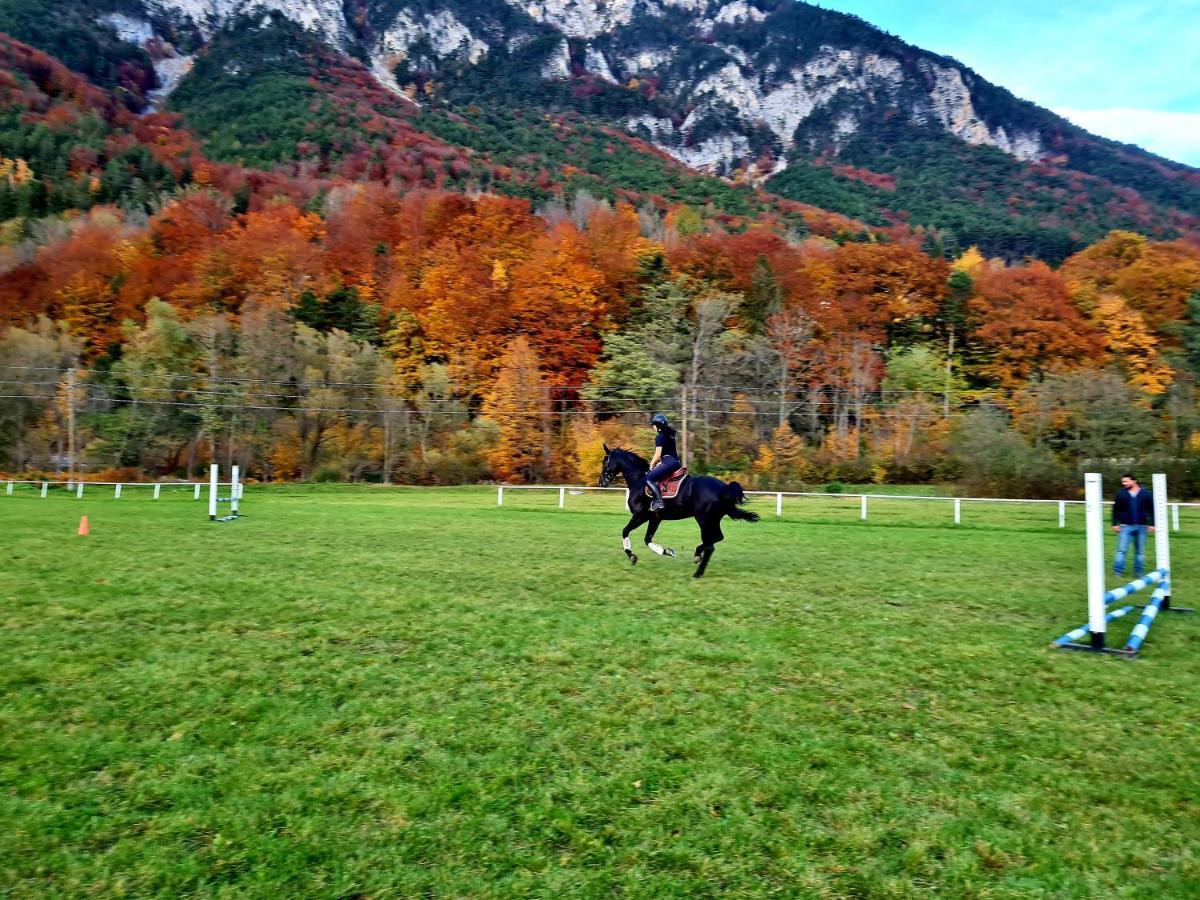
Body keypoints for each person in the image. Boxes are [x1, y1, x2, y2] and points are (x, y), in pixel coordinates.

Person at [1112, 472, 1155, 577]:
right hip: (1125, 526)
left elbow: (1152, 510)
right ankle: (1118, 572)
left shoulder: (1146, 494)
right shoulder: (1121, 494)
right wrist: (1114, 524)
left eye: (1126, 481)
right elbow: (1115, 510)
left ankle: (1139, 573)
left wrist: (1152, 524)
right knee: (1121, 550)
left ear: (1134, 481)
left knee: (1140, 552)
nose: (1124, 483)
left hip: (1142, 527)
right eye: (1122, 481)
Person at [646, 413, 680, 512]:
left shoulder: (660, 437)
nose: (653, 427)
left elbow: (657, 455)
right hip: (675, 462)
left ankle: (659, 501)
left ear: (658, 426)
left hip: (669, 463)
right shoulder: (670, 435)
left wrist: (651, 464)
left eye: (653, 425)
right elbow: (669, 453)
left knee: (649, 478)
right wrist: (661, 463)